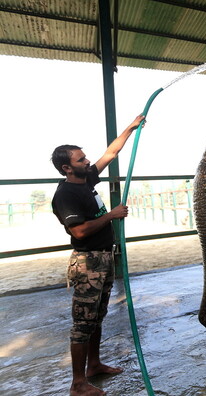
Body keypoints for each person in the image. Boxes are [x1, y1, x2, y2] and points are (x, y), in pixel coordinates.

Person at [51, 115, 145, 396]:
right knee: (82, 324)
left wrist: (130, 127)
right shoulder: (66, 194)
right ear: (67, 168)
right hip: (88, 263)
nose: (88, 161)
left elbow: (111, 153)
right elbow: (79, 231)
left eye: (85, 157)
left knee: (97, 318)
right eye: (81, 160)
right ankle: (78, 384)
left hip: (103, 258)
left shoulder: (86, 179)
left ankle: (94, 365)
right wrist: (113, 215)